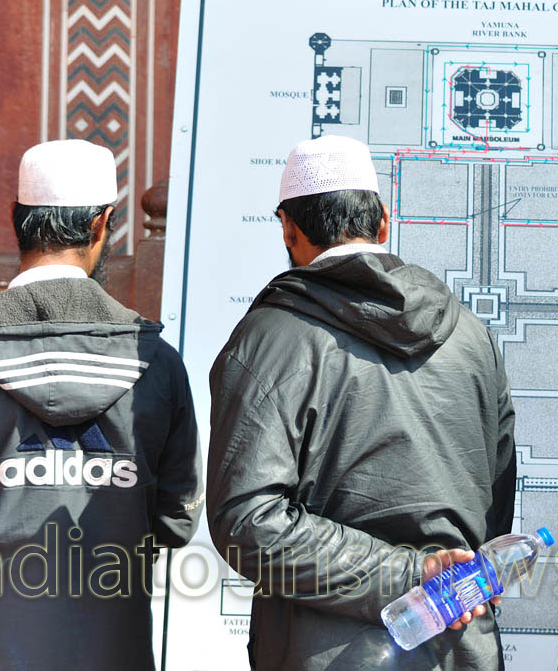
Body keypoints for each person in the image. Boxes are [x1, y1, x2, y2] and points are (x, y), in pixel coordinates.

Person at [0, 139, 204, 670]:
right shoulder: (156, 361)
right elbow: (177, 519)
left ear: (17, 218)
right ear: (103, 224)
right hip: (113, 646)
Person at [207, 134, 517, 670]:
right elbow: (496, 499)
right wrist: (428, 578)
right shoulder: (471, 335)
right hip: (458, 648)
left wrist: (409, 576)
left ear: (287, 227)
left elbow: (247, 521)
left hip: (321, 652)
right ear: (382, 223)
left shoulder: (269, 339)